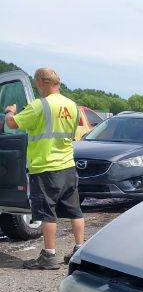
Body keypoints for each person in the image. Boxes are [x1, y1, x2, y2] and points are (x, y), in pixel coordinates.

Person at [4, 67, 84, 270]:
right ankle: (80, 250)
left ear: (41, 82)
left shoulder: (40, 105)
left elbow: (12, 125)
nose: (36, 86)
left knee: (46, 212)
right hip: (67, 165)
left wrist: (9, 111)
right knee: (75, 211)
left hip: (45, 167)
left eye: (36, 82)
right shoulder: (72, 106)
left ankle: (49, 256)